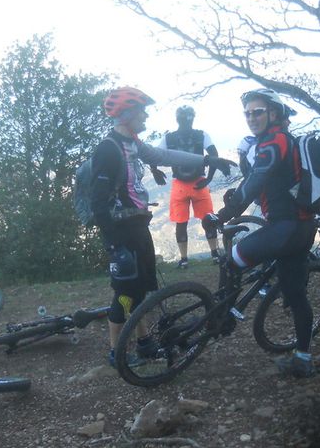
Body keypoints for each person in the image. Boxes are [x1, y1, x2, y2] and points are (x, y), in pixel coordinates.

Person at [90, 87, 234, 367]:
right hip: (121, 232)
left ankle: (144, 344)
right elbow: (98, 202)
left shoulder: (131, 142)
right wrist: (112, 243)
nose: (146, 115)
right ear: (128, 113)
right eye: (142, 111)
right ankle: (115, 352)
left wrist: (206, 160)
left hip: (137, 225)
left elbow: (163, 157)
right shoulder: (108, 149)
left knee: (141, 289)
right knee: (125, 293)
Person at [202, 88, 318, 378]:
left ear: (274, 114)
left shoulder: (272, 142)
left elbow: (257, 180)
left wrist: (222, 215)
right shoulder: (283, 140)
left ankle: (225, 317)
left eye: (258, 112)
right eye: (248, 113)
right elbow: (260, 180)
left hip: (285, 228)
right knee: (296, 294)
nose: (252, 118)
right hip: (302, 229)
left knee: (232, 261)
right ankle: (303, 358)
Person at [153, 105, 223, 269]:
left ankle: (184, 260)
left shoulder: (168, 138)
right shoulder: (201, 135)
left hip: (180, 184)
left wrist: (155, 170)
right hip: (199, 181)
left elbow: (154, 155)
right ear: (194, 118)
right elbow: (214, 155)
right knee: (208, 219)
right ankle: (215, 255)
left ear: (177, 119)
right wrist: (209, 178)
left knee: (181, 222)